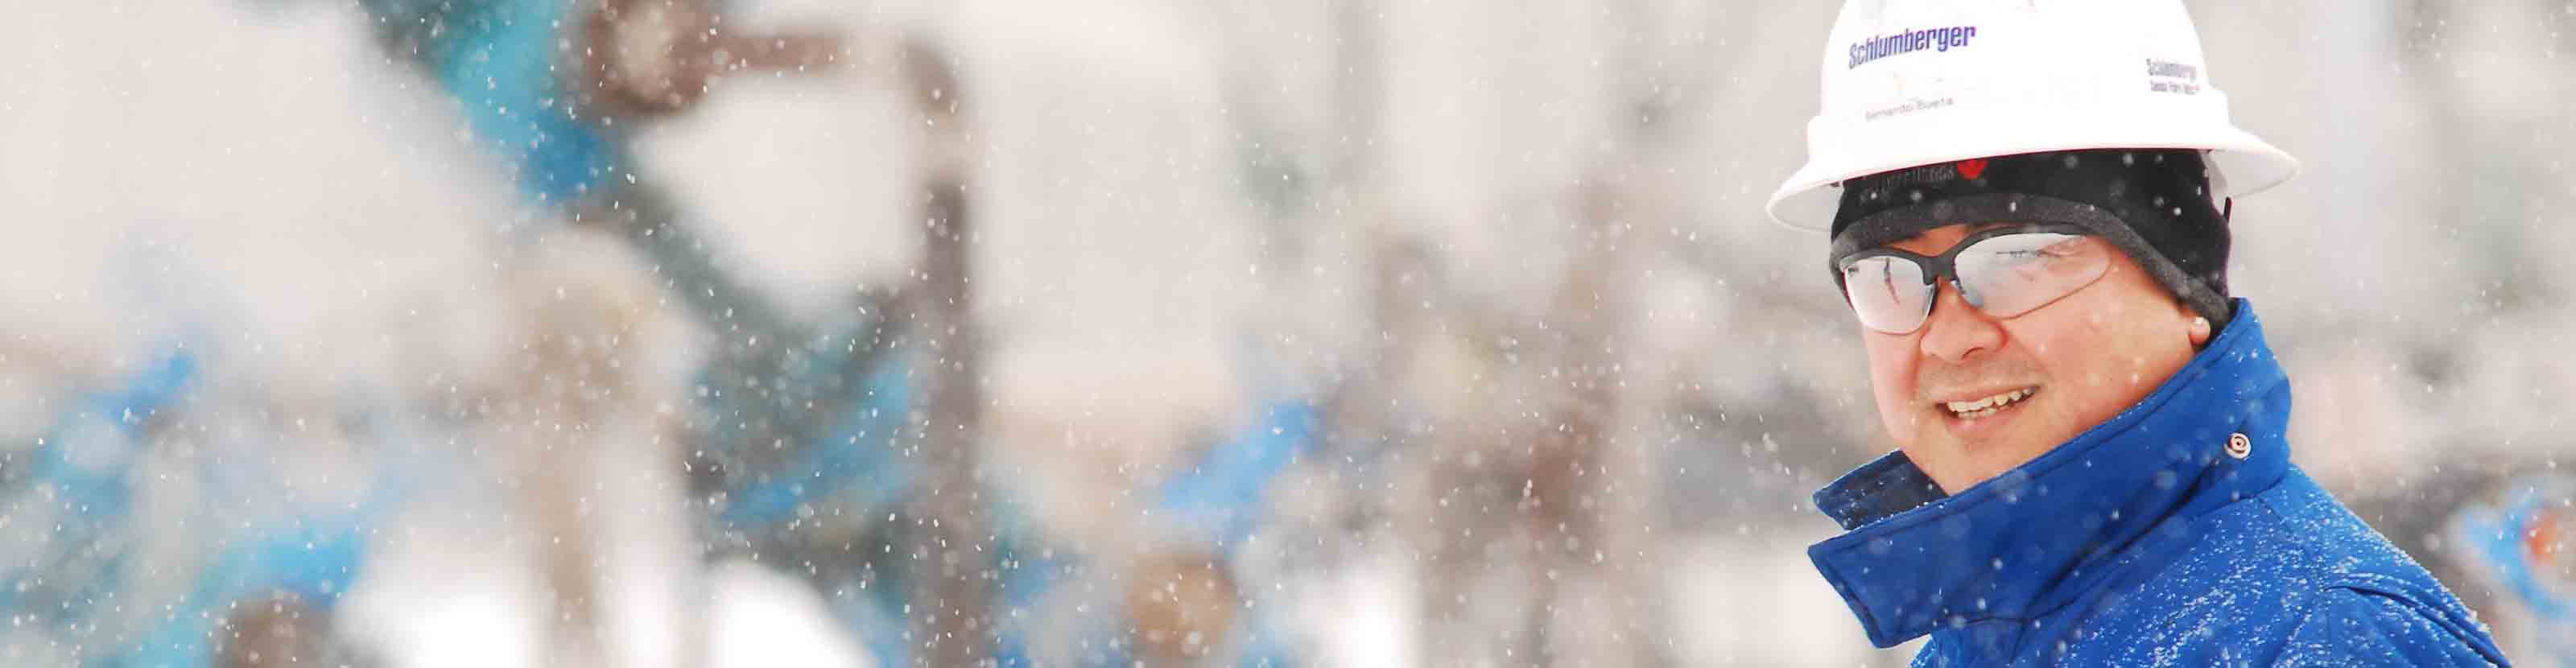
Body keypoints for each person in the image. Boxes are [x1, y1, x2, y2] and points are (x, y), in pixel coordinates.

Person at [1765, 2, 2512, 666]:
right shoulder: (1982, 640)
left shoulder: (2326, 638)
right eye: (1885, 275)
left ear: (2183, 281)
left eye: (2018, 260)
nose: (1946, 338)